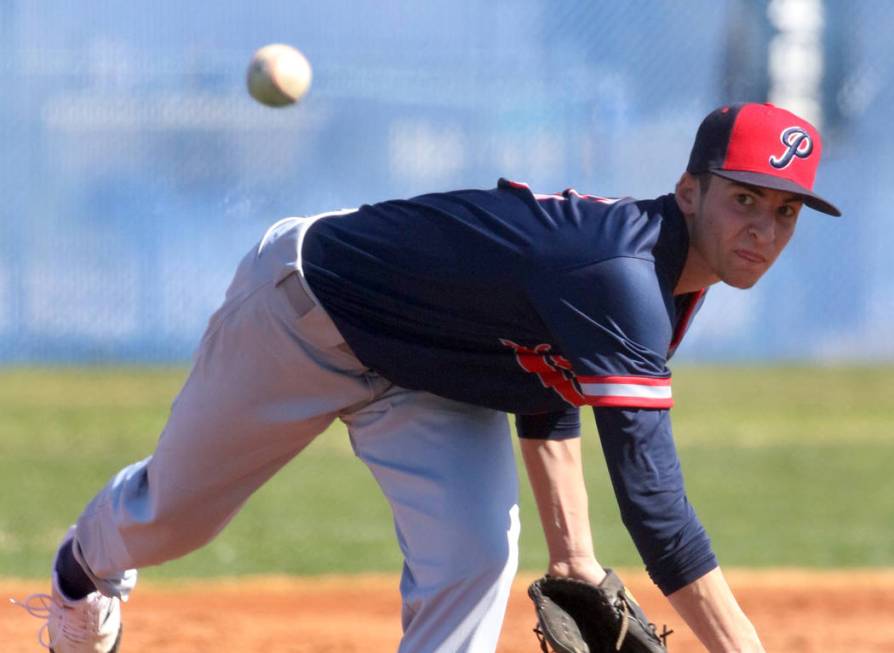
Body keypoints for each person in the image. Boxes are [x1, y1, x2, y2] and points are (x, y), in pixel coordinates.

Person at [14, 102, 840, 653]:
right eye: (744, 199)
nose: (764, 229)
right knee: (173, 517)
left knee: (476, 554)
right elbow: (657, 509)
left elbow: (544, 379)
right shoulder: (624, 272)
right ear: (689, 189)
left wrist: (575, 561)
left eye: (785, 211)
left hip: (430, 376)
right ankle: (79, 574)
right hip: (308, 311)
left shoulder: (666, 276)